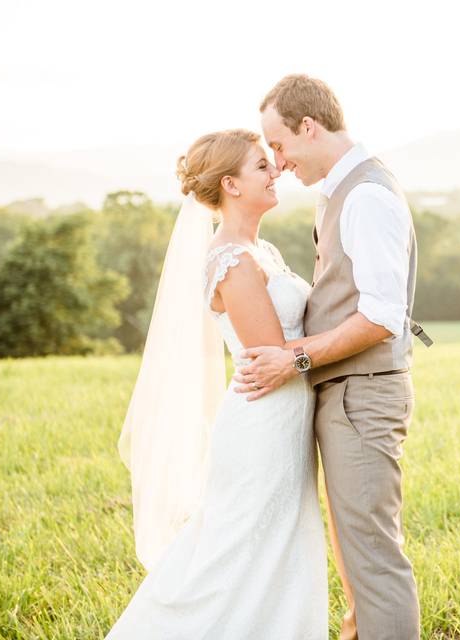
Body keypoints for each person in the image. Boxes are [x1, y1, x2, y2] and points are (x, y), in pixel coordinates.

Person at [107, 128, 327, 639]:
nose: (276, 171)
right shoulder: (232, 259)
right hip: (262, 424)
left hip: (284, 418)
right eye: (261, 166)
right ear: (230, 184)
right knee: (235, 553)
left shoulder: (261, 250)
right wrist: (364, 332)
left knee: (276, 549)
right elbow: (274, 354)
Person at [232, 74, 428, 640]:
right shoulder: (343, 192)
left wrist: (294, 358)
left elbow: (382, 316)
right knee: (353, 554)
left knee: (373, 557)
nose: (278, 160)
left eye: (280, 144)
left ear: (309, 126)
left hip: (363, 396)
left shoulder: (364, 194)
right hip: (346, 394)